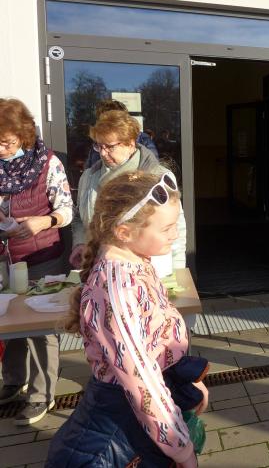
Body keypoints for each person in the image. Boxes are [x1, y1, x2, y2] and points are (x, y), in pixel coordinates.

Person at [47, 172, 206, 467]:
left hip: (141, 415)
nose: (175, 234)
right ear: (124, 232)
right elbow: (139, 378)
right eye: (167, 228)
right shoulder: (117, 288)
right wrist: (182, 448)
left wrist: (185, 381)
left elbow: (155, 342)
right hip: (120, 431)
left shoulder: (135, 263)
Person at [0, 98, 73, 426]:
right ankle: (14, 380)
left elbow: (67, 210)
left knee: (41, 327)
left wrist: (43, 222)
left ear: (23, 134)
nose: (1, 149)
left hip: (41, 256)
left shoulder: (47, 163)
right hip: (5, 257)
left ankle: (42, 394)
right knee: (9, 321)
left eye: (7, 142)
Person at [69, 109, 186, 273]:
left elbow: (175, 227)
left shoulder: (158, 176)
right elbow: (79, 218)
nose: (103, 153)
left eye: (109, 147)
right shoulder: (89, 177)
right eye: (99, 146)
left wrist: (178, 270)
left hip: (150, 271)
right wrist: (80, 243)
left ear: (130, 144)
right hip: (101, 270)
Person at [84, 99, 159, 170]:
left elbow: (152, 167)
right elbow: (89, 168)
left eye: (111, 120)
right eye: (101, 120)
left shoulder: (143, 139)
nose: (103, 153)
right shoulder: (97, 145)